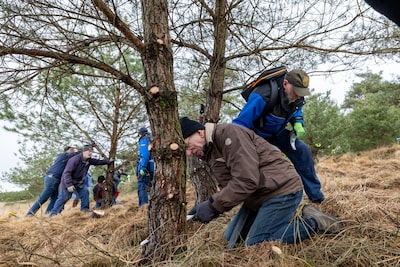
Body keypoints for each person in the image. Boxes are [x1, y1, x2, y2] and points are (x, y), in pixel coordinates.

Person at [180, 117, 342, 247]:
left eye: (187, 145)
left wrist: (213, 206)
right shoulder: (210, 151)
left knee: (256, 244)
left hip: (281, 190)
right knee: (232, 240)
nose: (188, 153)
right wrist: (209, 205)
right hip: (259, 197)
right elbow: (231, 185)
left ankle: (312, 222)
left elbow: (246, 180)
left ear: (200, 133)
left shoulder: (228, 134)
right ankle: (280, 220)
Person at [232, 69, 325, 203]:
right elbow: (240, 125)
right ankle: (262, 201)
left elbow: (297, 111)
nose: (299, 96)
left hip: (277, 133)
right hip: (256, 135)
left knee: (302, 151)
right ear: (285, 83)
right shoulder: (263, 95)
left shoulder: (297, 96)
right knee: (270, 161)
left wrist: (298, 123)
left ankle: (316, 196)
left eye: (302, 93)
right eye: (297, 91)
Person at [49, 144, 112, 216]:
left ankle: (84, 210)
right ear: (83, 151)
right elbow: (67, 173)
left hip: (79, 183)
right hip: (68, 182)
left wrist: (108, 161)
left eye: (91, 151)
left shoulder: (88, 160)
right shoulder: (74, 160)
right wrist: (69, 185)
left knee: (85, 192)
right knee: (64, 198)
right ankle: (54, 214)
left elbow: (98, 162)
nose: (90, 153)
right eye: (89, 151)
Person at [26, 146, 78, 216]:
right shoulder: (64, 155)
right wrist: (86, 149)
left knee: (54, 198)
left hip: (54, 179)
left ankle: (48, 213)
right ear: (66, 151)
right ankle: (30, 214)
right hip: (52, 179)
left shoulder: (66, 158)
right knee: (43, 198)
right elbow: (76, 155)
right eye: (71, 149)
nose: (73, 151)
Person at [136, 127, 155, 207]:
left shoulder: (144, 140)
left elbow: (145, 155)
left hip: (146, 168)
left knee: (142, 187)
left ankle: (143, 206)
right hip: (152, 167)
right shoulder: (151, 139)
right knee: (150, 187)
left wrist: (142, 167)